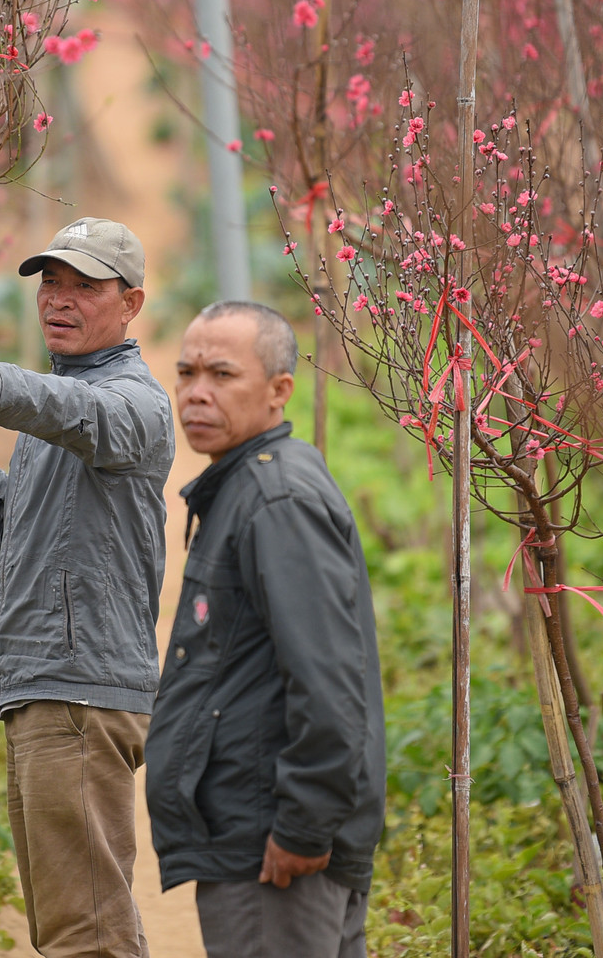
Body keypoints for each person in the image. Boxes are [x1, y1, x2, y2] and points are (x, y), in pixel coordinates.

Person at [0, 218, 174, 958]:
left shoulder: (130, 403)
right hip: (45, 691)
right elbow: (7, 526)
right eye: (50, 282)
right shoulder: (55, 403)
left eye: (84, 285)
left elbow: (83, 415)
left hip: (79, 694)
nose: (59, 298)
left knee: (85, 935)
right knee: (75, 925)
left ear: (132, 303)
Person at [144, 301, 385, 958]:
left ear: (280, 390)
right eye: (186, 372)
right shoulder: (249, 484)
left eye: (222, 374)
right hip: (257, 830)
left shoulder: (277, 502)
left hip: (271, 847)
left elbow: (329, 681)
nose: (196, 392)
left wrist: (303, 825)